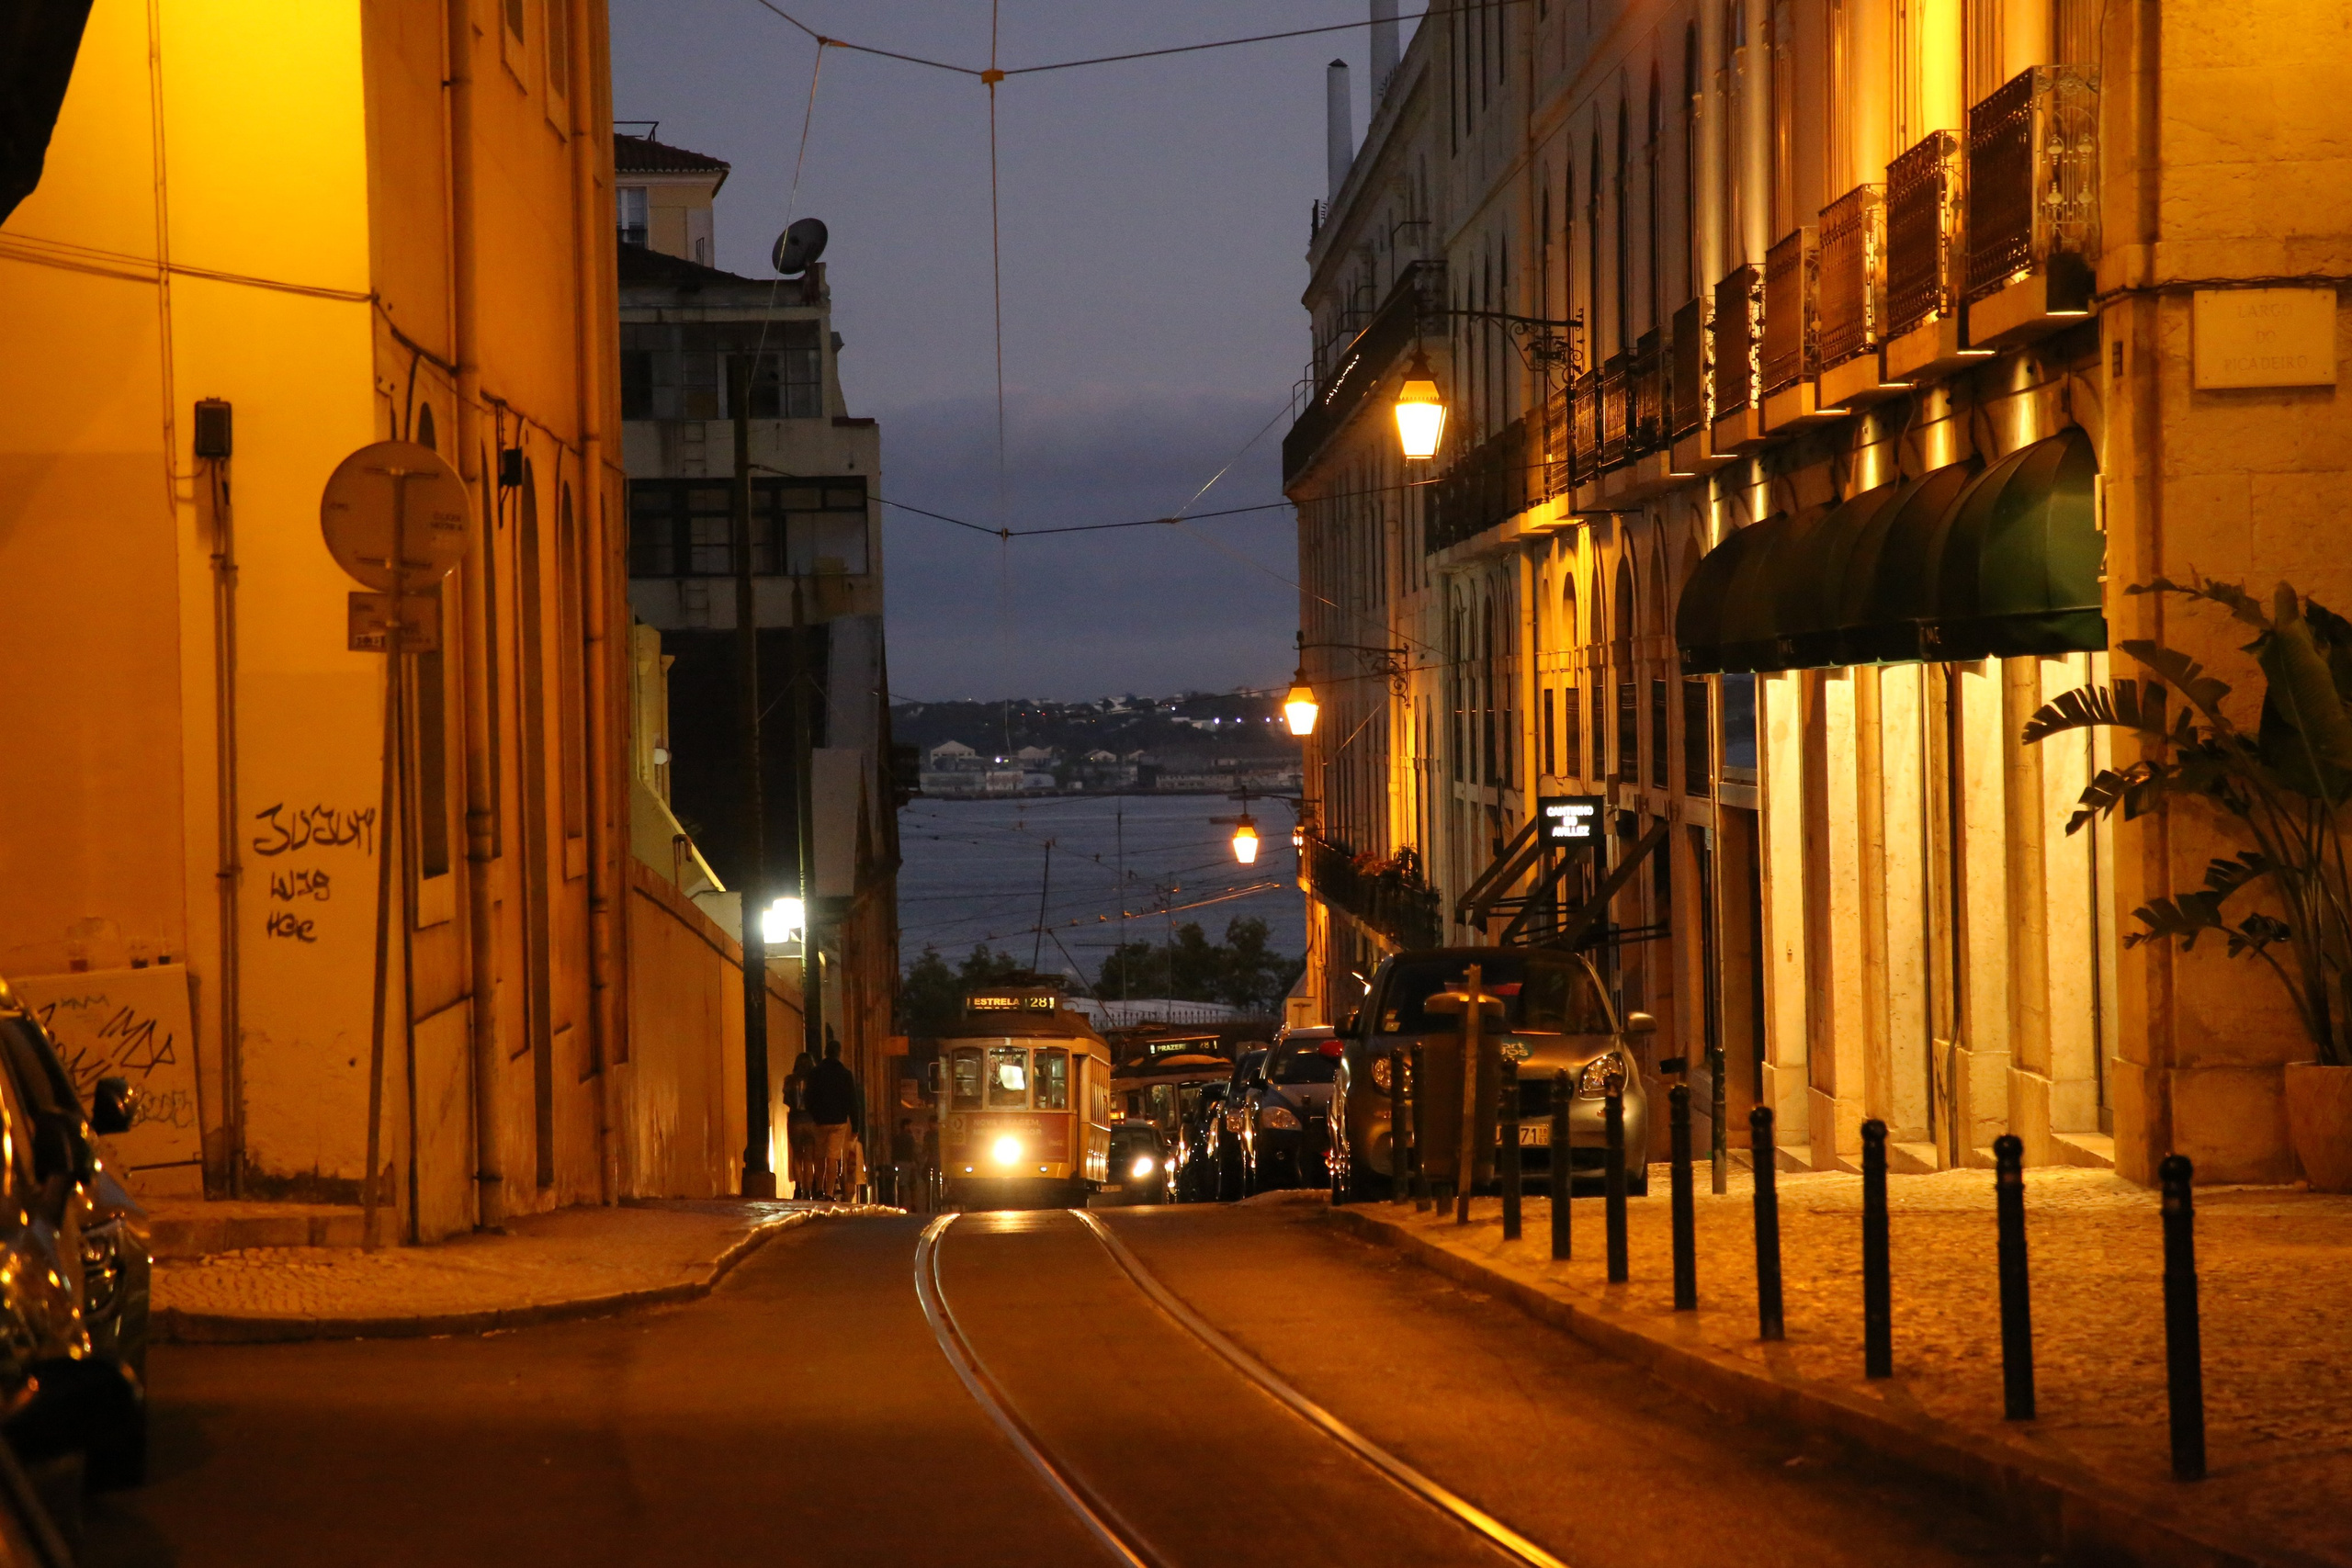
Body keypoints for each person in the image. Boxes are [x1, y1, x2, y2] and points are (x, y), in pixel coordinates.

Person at [807, 1039, 859, 1201]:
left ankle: (818, 1189)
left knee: (819, 1155)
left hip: (820, 1120)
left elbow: (808, 1096)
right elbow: (852, 1101)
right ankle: (829, 1192)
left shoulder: (816, 1073)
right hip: (838, 1120)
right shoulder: (845, 1074)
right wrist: (855, 1126)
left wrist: (813, 1114)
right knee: (832, 1157)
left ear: (825, 1052)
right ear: (839, 1053)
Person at [785, 1051, 819, 1200]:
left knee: (797, 1156)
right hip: (811, 1120)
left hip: (795, 1120)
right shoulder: (815, 1081)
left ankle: (798, 1188)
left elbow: (786, 1100)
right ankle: (808, 1191)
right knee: (809, 1158)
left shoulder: (790, 1080)